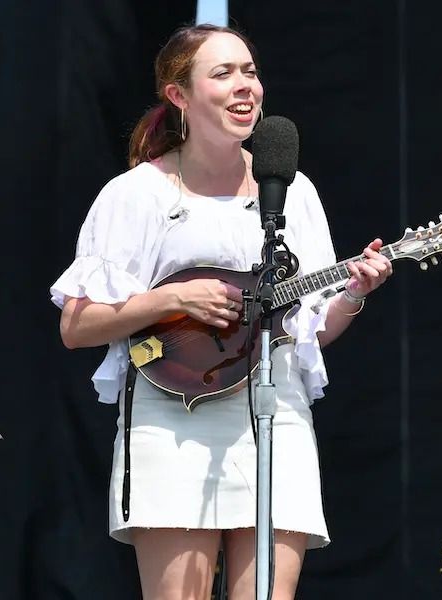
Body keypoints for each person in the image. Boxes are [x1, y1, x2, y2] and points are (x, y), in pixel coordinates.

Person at [50, 24, 393, 600]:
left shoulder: (292, 191)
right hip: (173, 418)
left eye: (251, 72)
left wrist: (354, 294)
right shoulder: (137, 194)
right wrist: (171, 298)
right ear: (178, 95)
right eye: (224, 73)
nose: (245, 87)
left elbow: (310, 328)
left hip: (275, 408)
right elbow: (76, 326)